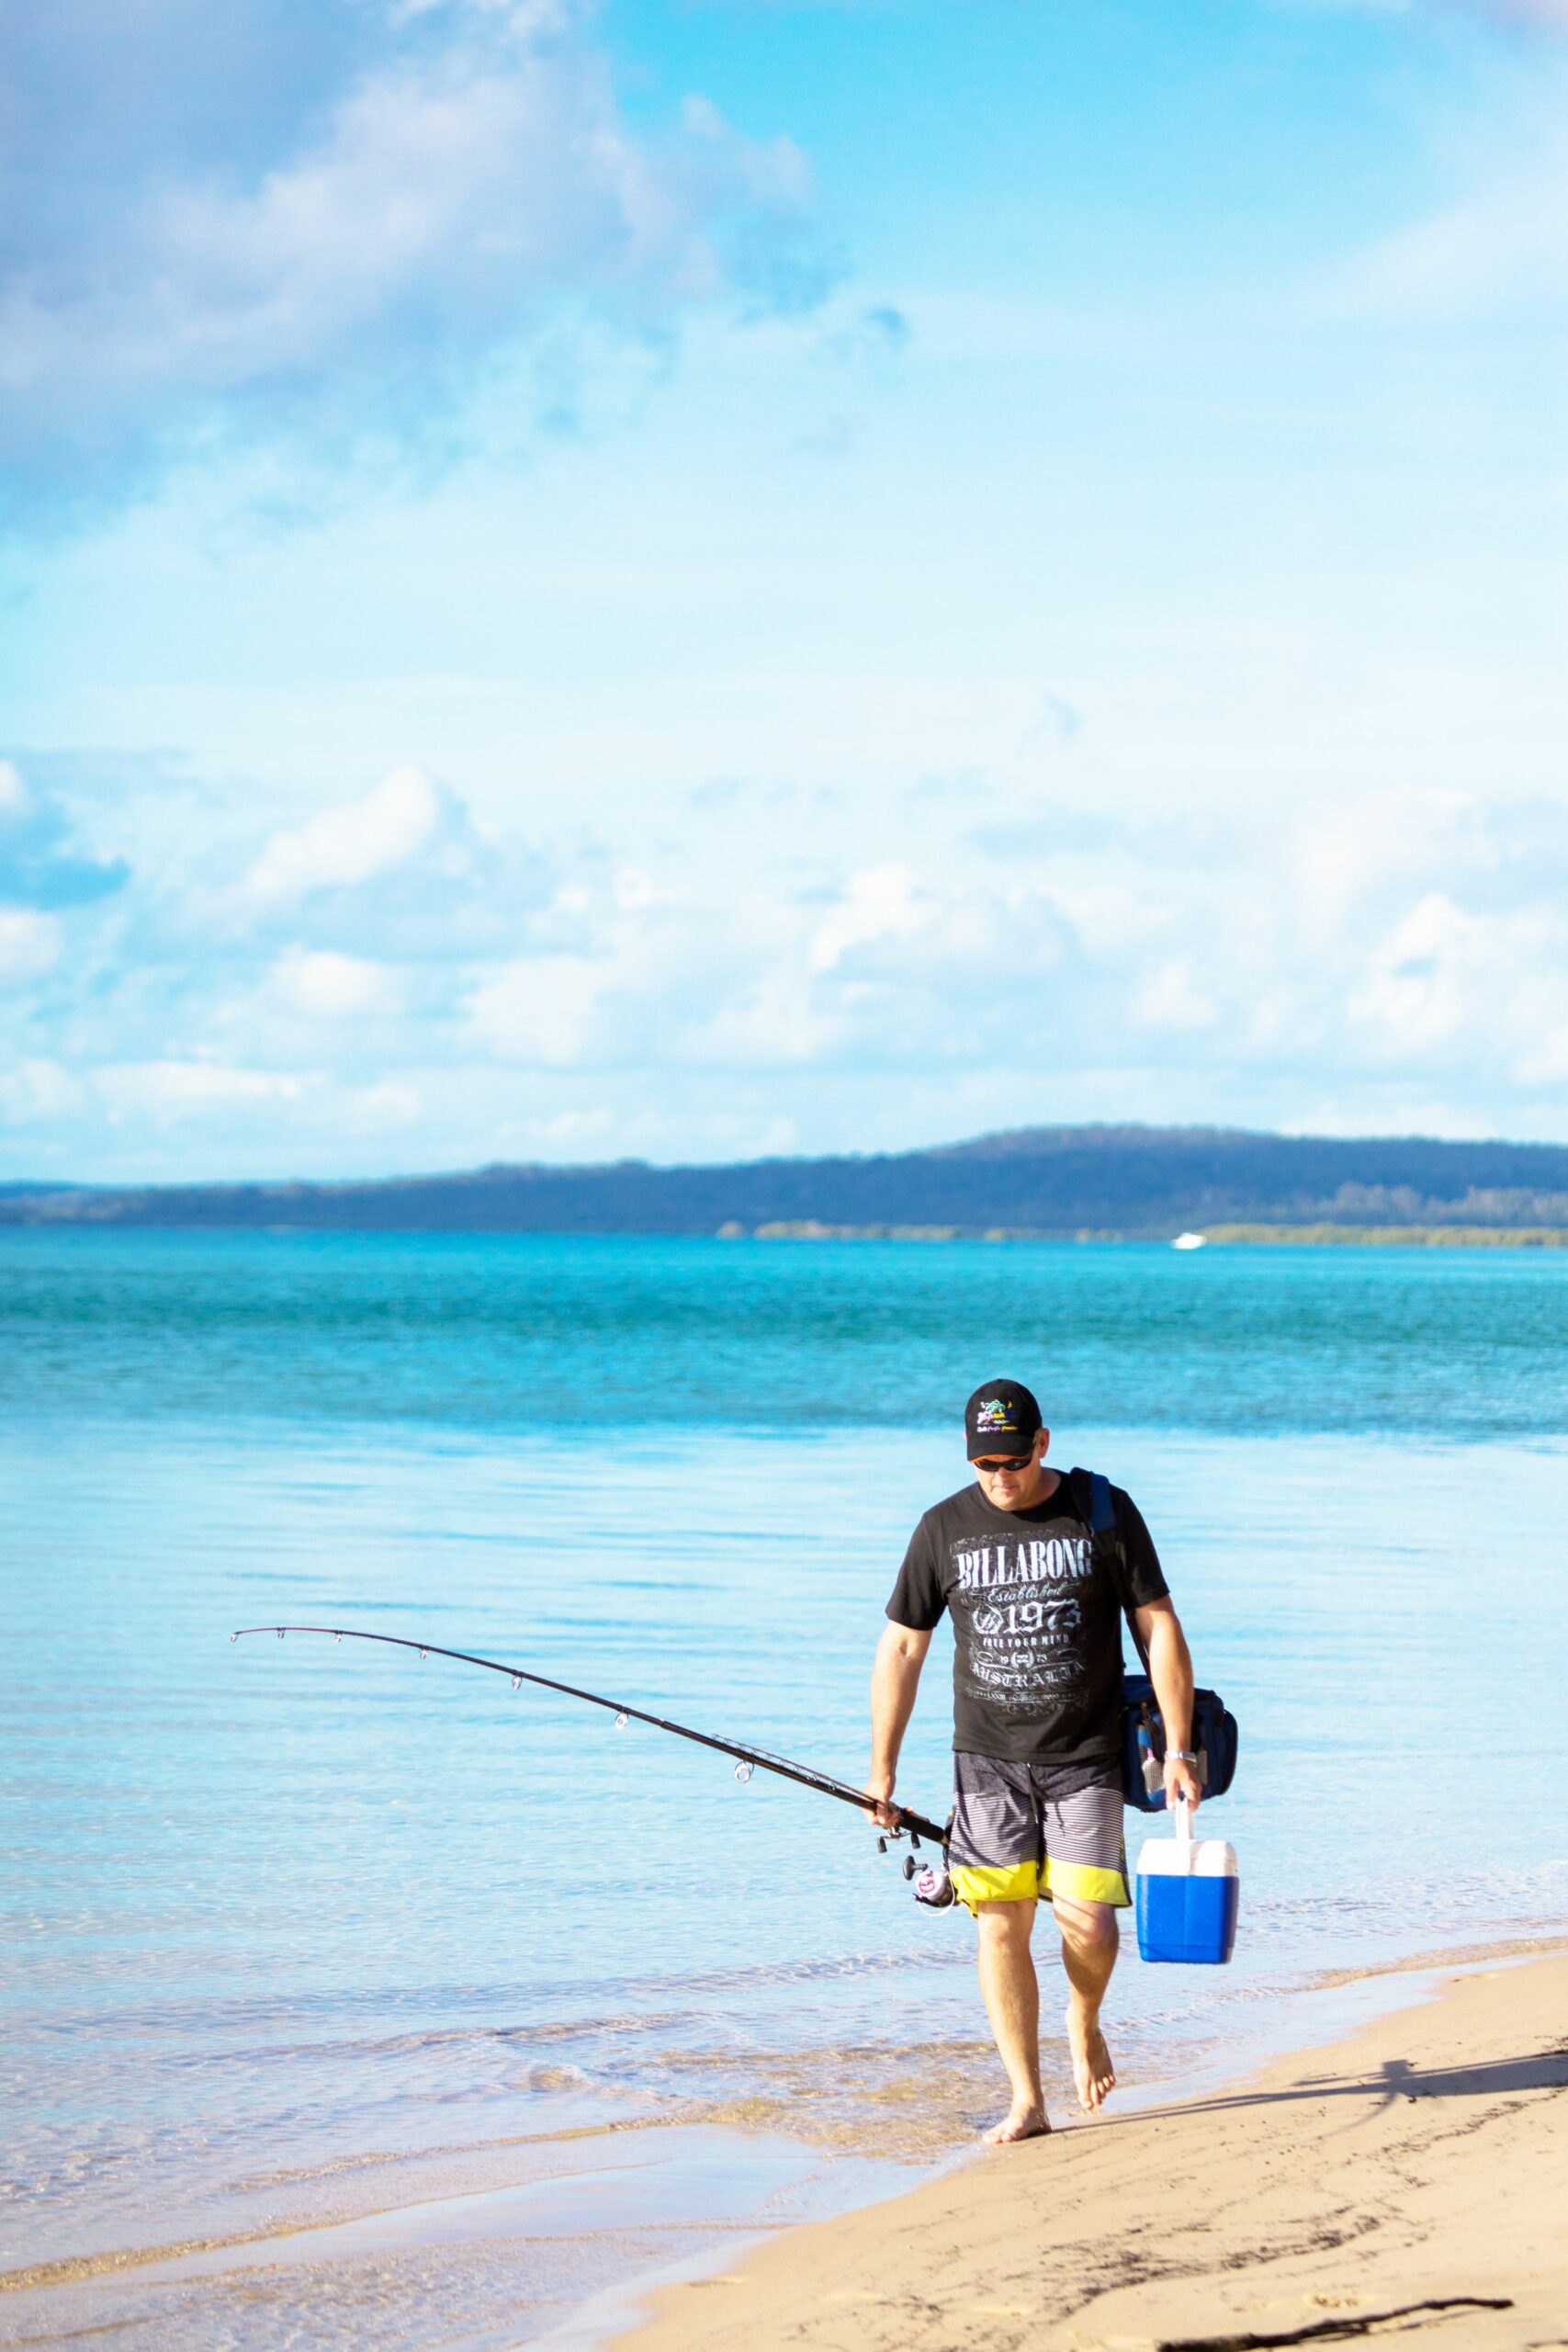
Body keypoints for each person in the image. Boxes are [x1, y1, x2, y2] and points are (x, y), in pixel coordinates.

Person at [864, 1378, 1201, 2144]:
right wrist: (880, 1770)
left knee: (1088, 1924)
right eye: (985, 1463)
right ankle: (1027, 2100)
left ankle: (1083, 2020)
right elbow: (903, 1647)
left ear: (1042, 1444)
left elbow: (1157, 1627)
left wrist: (1177, 1748)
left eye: (1012, 1460)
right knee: (1000, 1927)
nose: (1000, 1477)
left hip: (1084, 1756)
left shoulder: (1101, 1512)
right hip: (985, 1761)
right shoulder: (941, 1528)